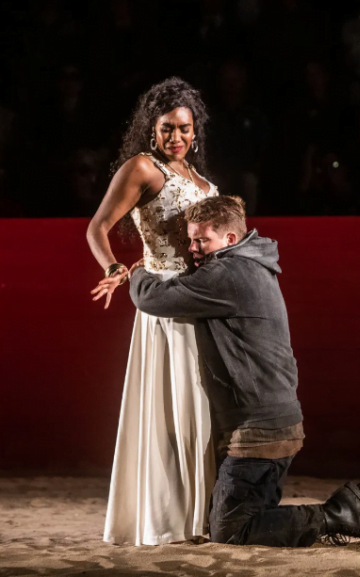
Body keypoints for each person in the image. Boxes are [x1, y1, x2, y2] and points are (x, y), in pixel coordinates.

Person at [124, 195, 360, 547]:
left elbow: (153, 300)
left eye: (201, 240)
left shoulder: (226, 273)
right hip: (276, 421)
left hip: (260, 431)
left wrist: (136, 273)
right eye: (191, 239)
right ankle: (343, 509)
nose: (193, 248)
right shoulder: (252, 261)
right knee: (245, 517)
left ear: (229, 240)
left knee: (230, 531)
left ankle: (341, 512)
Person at [86, 77, 219, 545]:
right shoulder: (143, 167)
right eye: (167, 129)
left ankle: (201, 515)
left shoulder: (198, 178)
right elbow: (98, 227)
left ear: (195, 131)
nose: (176, 138)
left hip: (203, 297)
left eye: (184, 129)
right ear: (152, 129)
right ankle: (170, 520)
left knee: (201, 410)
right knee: (172, 408)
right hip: (165, 303)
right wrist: (117, 268)